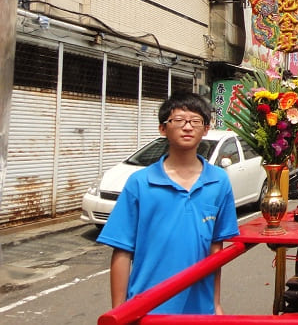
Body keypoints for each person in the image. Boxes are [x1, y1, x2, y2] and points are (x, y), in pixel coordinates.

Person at [97, 92, 239, 314]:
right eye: (179, 120)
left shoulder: (219, 181)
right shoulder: (140, 183)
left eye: (195, 121)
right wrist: (119, 311)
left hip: (199, 309)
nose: (188, 127)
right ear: (162, 129)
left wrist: (215, 303)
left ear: (206, 129)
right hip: (147, 308)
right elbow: (122, 250)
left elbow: (215, 250)